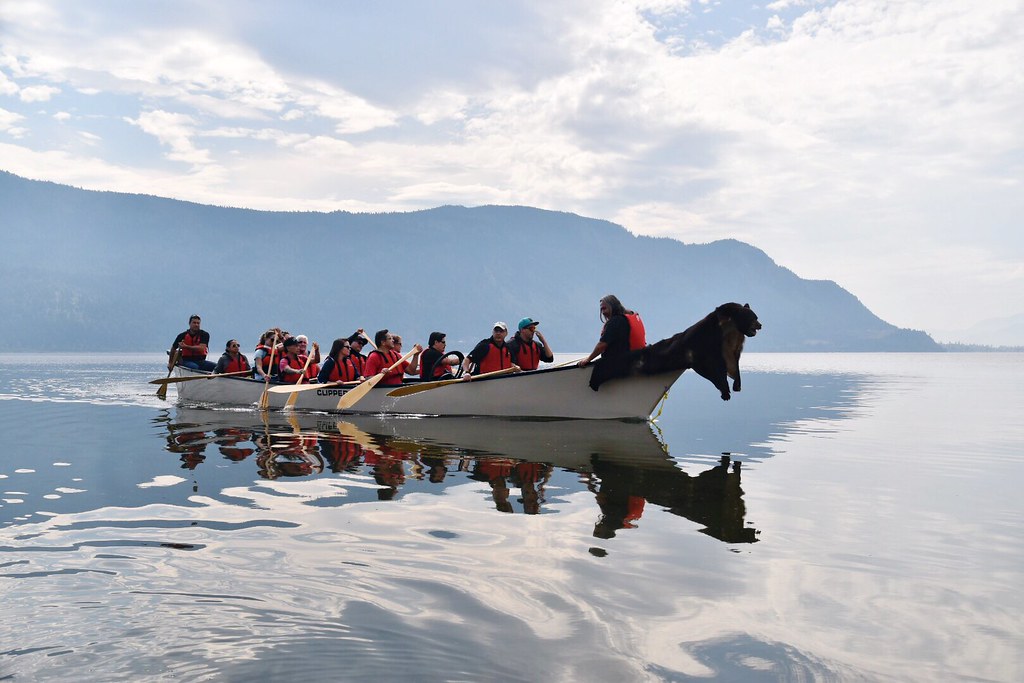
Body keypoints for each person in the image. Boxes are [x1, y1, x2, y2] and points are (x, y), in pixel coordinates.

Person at [578, 294, 633, 391]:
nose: (602, 310)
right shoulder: (623, 319)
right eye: (601, 309)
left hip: (615, 362)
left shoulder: (615, 321)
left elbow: (602, 345)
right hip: (625, 359)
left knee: (597, 370)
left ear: (613, 305)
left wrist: (588, 359)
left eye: (604, 307)